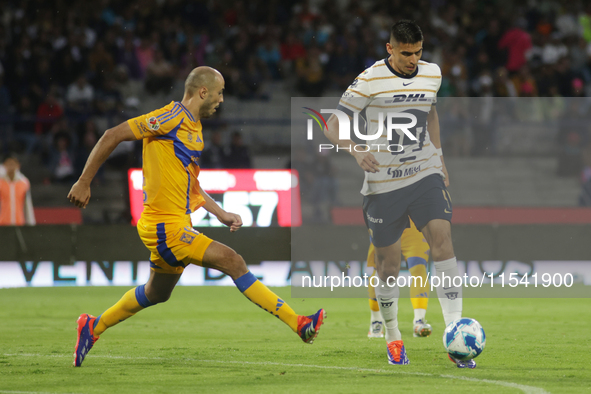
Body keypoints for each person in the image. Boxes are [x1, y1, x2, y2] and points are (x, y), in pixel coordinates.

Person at [68, 66, 325, 367]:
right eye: (220, 92)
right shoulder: (169, 117)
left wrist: (221, 213)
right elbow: (113, 134)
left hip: (176, 222)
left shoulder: (195, 129)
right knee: (233, 261)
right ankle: (299, 323)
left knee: (156, 293)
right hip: (164, 225)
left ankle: (92, 326)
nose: (222, 99)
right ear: (203, 91)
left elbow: (192, 184)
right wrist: (84, 181)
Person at [324, 20, 469, 368]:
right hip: (383, 183)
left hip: (424, 172)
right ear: (390, 49)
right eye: (406, 53)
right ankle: (392, 337)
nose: (413, 60)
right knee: (388, 264)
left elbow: (430, 112)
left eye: (418, 52)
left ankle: (455, 336)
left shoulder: (431, 73)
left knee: (442, 241)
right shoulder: (369, 79)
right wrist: (357, 151)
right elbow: (331, 126)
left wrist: (439, 156)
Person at [366, 220, 431, 339]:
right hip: (386, 219)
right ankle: (376, 321)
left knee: (419, 269)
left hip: (413, 222)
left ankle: (419, 321)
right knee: (380, 270)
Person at [0, 155, 36, 226]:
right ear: (4, 165)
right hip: (2, 224)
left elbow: (27, 204)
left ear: (18, 165)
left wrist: (31, 223)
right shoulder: (1, 182)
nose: (11, 166)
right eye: (9, 163)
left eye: (13, 163)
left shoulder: (24, 182)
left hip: (19, 223)